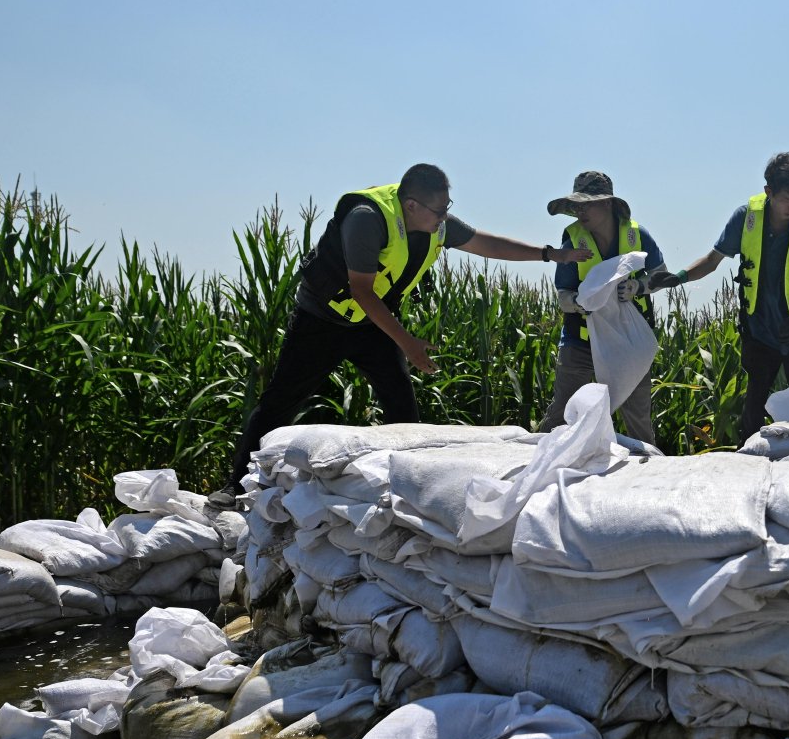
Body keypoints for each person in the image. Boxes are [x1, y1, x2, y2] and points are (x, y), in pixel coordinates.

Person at [218, 163, 583, 497]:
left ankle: (408, 486)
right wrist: (408, 343)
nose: (445, 218)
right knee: (279, 402)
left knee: (400, 401)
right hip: (322, 321)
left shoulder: (435, 223)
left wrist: (550, 254)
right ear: (411, 205)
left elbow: (484, 243)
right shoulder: (367, 219)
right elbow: (361, 290)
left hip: (371, 323)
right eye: (439, 210)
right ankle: (235, 487)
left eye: (447, 208)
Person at [654, 152, 789, 443]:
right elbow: (712, 261)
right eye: (786, 198)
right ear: (768, 191)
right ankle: (751, 466)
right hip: (760, 331)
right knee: (753, 413)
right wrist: (679, 277)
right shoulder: (746, 218)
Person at [539, 171, 668, 445]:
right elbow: (563, 295)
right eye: (577, 205)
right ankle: (540, 467)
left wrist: (638, 287)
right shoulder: (573, 240)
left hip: (629, 342)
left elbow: (661, 275)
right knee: (561, 415)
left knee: (638, 419)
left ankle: (647, 476)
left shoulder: (637, 235)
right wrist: (579, 303)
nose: (580, 211)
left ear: (608, 203)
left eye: (588, 203)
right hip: (580, 341)